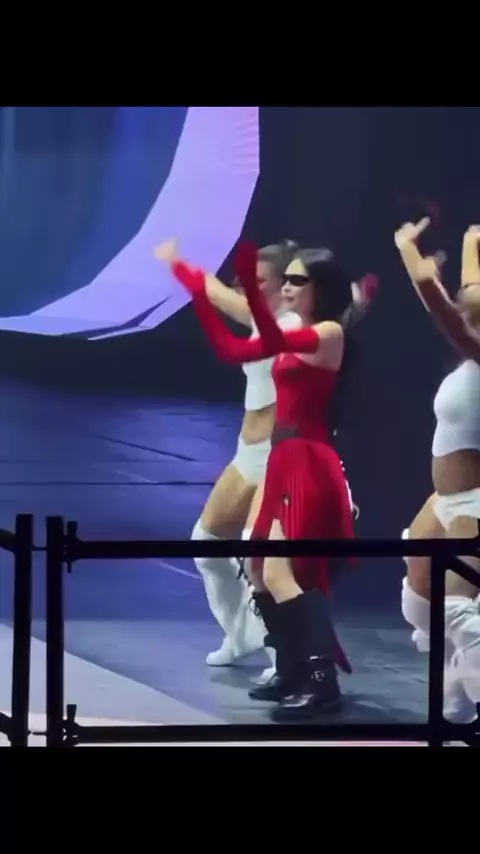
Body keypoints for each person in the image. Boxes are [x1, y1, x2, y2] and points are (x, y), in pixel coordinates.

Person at [167, 242, 375, 721]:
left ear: (319, 288)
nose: (287, 287)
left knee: (279, 572)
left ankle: (319, 682)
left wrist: (233, 286)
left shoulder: (326, 332)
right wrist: (198, 294)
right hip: (283, 457)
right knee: (260, 569)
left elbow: (273, 337)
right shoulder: (298, 331)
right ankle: (290, 670)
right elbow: (233, 348)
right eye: (287, 279)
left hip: (305, 459)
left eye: (297, 280)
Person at [154, 238, 299, 677]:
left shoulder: (293, 326)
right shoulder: (262, 319)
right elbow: (216, 293)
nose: (249, 287)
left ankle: (284, 655)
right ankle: (240, 635)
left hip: (275, 454)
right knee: (208, 540)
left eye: (260, 281)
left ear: (284, 284)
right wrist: (177, 262)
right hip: (247, 452)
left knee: (265, 561)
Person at [396, 219, 480, 718]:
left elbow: (441, 305)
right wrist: (472, 241)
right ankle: (459, 682)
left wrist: (408, 251)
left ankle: (471, 688)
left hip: (476, 502)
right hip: (446, 499)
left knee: (455, 607)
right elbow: (467, 294)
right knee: (420, 599)